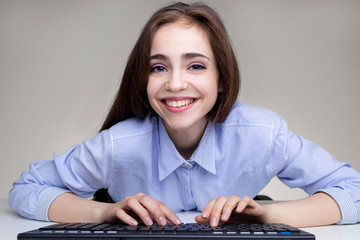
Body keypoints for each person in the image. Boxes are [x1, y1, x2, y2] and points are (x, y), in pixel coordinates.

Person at [9, 2, 360, 228]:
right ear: (142, 79)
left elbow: (354, 192)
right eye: (158, 67)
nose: (176, 84)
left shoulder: (263, 134)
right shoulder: (119, 145)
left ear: (222, 78)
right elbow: (27, 189)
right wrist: (104, 213)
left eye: (195, 65)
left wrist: (267, 213)